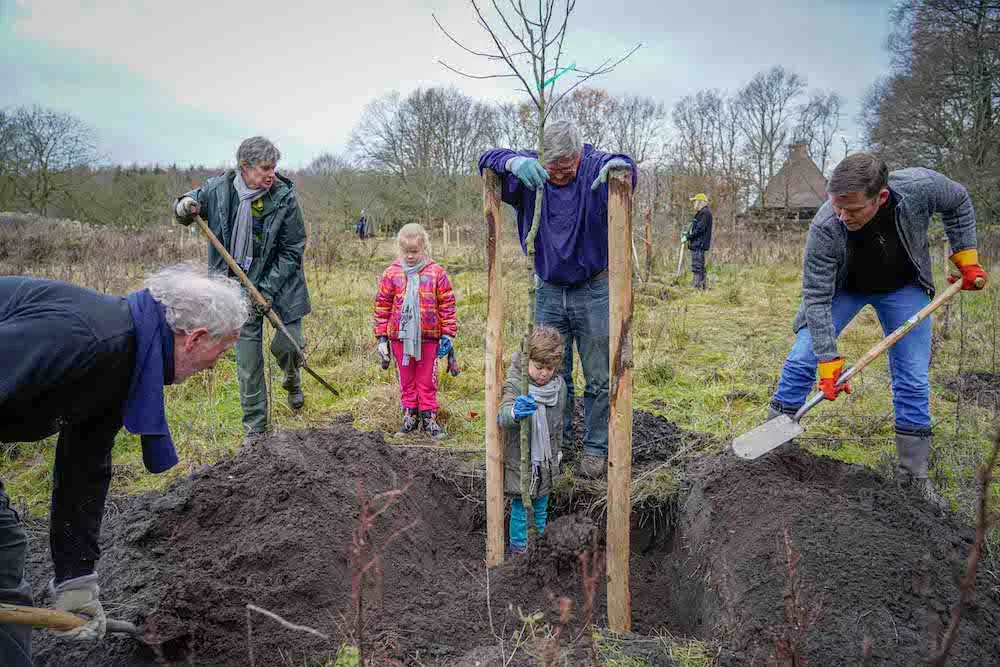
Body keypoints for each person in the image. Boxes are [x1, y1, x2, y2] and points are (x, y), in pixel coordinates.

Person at [0, 266, 248, 666]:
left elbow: (84, 466)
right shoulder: (88, 339)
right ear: (195, 339)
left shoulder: (124, 359)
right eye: (223, 350)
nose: (216, 364)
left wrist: (76, 579)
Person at [766, 153, 987, 510]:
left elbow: (958, 199)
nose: (842, 216)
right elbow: (817, 297)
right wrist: (828, 359)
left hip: (903, 288)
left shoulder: (919, 188)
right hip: (844, 289)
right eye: (837, 206)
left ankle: (913, 480)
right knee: (802, 357)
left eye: (852, 209)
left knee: (913, 378)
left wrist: (966, 256)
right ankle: (773, 451)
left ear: (880, 197)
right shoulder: (825, 226)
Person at [478, 119, 637, 479]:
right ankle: (557, 444)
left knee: (597, 376)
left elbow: (624, 166)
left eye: (567, 167)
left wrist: (621, 170)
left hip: (593, 289)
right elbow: (486, 159)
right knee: (551, 374)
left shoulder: (593, 167)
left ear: (579, 154)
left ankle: (596, 449)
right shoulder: (530, 172)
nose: (560, 175)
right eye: (553, 168)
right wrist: (512, 163)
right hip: (547, 290)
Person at [174, 136, 311, 445]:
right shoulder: (218, 191)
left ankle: (292, 378)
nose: (271, 174)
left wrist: (265, 290)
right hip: (235, 292)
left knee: (289, 347)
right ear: (244, 168)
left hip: (281, 286)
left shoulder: (284, 197)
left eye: (274, 167)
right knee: (248, 364)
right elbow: (185, 205)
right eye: (265, 168)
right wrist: (184, 206)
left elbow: (293, 250)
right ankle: (256, 432)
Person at [373, 223, 457, 440]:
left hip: (429, 338)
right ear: (399, 250)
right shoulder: (392, 273)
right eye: (406, 252)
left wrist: (448, 334)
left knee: (427, 378)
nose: (410, 256)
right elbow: (382, 305)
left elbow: (447, 304)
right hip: (400, 338)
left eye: (414, 252)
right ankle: (409, 416)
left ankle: (430, 417)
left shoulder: (436, 273)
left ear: (423, 248)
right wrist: (382, 337)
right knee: (406, 378)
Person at [498, 326, 567, 555]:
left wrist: (557, 453)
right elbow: (503, 415)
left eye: (549, 368)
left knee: (540, 508)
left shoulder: (559, 388)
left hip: (546, 462)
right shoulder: (517, 383)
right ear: (527, 360)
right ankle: (519, 551)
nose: (544, 373)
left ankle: (537, 548)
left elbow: (558, 424)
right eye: (538, 367)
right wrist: (515, 412)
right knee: (520, 508)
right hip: (521, 461)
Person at [687, 193, 713, 289]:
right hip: (698, 243)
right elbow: (695, 227)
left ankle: (695, 287)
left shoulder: (705, 213)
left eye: (695, 201)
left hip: (699, 243)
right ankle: (702, 287)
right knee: (699, 266)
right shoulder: (701, 213)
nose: (694, 204)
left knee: (697, 266)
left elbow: (700, 229)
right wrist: (688, 234)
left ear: (700, 202)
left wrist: (689, 237)